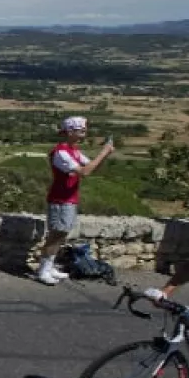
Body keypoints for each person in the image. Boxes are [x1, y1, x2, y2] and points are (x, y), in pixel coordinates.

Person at [36, 116, 114, 286]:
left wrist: (105, 155)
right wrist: (103, 153)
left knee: (61, 234)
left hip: (68, 199)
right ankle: (43, 270)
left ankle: (49, 266)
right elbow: (85, 172)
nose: (84, 133)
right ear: (70, 132)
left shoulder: (74, 151)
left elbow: (92, 167)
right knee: (56, 234)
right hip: (60, 199)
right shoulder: (61, 153)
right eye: (81, 130)